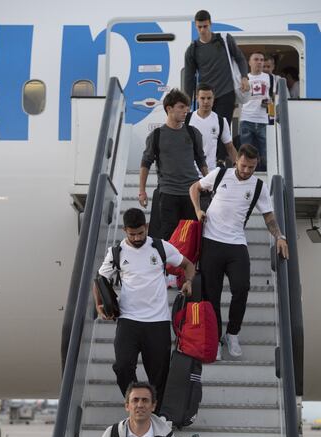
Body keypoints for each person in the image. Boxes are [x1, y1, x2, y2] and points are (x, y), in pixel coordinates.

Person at [189, 144, 289, 360]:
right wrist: (198, 210)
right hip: (211, 242)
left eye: (251, 168)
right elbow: (194, 188)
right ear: (237, 161)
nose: (246, 171)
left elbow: (269, 216)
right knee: (211, 295)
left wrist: (279, 236)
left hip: (236, 244)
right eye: (243, 166)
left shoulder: (258, 186)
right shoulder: (220, 174)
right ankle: (214, 338)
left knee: (242, 288)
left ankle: (232, 333)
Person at [93, 208, 195, 412]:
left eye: (141, 232)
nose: (137, 237)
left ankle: (155, 412)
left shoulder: (160, 247)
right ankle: (135, 403)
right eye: (132, 234)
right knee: (122, 367)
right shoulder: (116, 253)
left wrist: (189, 282)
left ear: (146, 227)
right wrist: (99, 304)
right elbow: (100, 279)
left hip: (158, 322)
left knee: (159, 374)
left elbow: (188, 264)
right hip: (128, 320)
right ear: (125, 231)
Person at [139, 88, 208, 240]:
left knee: (190, 236)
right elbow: (145, 163)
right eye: (181, 107)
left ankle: (188, 264)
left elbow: (201, 159)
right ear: (169, 109)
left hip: (191, 192)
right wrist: (142, 191)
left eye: (187, 107)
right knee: (168, 236)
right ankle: (169, 265)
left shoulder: (193, 133)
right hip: (168, 193)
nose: (186, 111)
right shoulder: (156, 135)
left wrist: (209, 182)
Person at [184, 10, 249, 129]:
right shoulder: (192, 49)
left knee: (221, 131)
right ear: (195, 26)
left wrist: (244, 77)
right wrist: (187, 102)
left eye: (205, 26)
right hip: (205, 96)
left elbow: (240, 59)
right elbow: (188, 78)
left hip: (226, 93)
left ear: (210, 24)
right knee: (205, 130)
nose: (203, 30)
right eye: (199, 27)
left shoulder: (224, 39)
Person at [187, 83, 237, 171]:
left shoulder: (221, 121)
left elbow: (230, 147)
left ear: (213, 98)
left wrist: (238, 166)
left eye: (209, 98)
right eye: (202, 98)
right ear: (197, 98)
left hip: (211, 174)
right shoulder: (187, 119)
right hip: (190, 173)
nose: (206, 101)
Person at [239, 51, 271, 171]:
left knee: (266, 152)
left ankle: (266, 175)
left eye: (262, 60)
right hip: (246, 119)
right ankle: (245, 174)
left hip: (263, 119)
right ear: (249, 62)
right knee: (246, 152)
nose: (259, 62)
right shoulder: (245, 78)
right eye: (256, 59)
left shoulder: (269, 78)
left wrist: (270, 103)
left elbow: (273, 96)